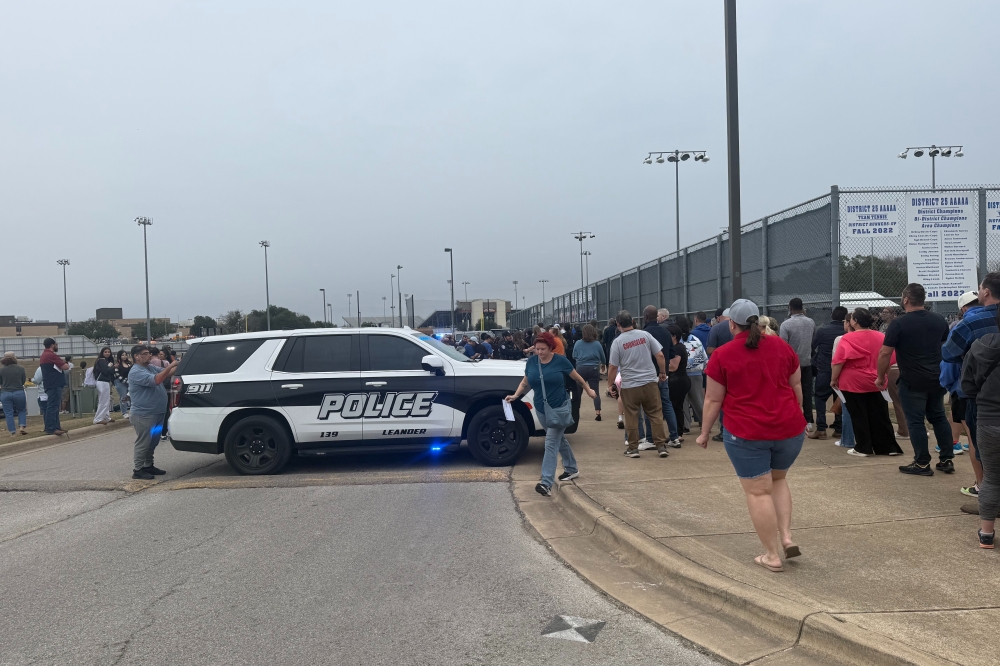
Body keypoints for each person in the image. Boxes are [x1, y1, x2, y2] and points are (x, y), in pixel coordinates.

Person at [696, 299, 806, 572]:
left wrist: (704, 433)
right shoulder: (782, 346)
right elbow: (796, 385)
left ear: (731, 324)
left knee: (758, 492)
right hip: (789, 428)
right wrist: (797, 414)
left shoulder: (723, 355)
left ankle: (771, 555)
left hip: (748, 431)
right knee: (778, 480)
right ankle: (787, 536)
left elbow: (712, 400)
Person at [505, 332, 596, 497]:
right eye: (537, 349)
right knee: (559, 439)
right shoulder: (532, 362)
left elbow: (577, 378)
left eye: (543, 349)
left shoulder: (560, 361)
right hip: (541, 408)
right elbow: (525, 382)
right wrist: (515, 395)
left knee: (551, 443)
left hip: (559, 407)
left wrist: (589, 390)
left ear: (550, 347)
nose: (539, 352)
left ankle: (546, 483)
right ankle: (571, 468)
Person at [877, 283, 953, 477]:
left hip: (912, 379)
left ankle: (921, 463)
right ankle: (946, 459)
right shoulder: (939, 320)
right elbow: (945, 344)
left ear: (905, 300)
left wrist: (880, 376)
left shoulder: (899, 323)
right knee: (938, 417)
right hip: (936, 377)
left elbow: (885, 353)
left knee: (916, 421)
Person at [943, 273, 1000, 504]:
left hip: (982, 395)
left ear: (985, 292)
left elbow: (948, 352)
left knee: (983, 447)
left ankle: (988, 496)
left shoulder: (971, 322)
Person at [832, 309, 903, 457]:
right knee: (880, 414)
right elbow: (889, 358)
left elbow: (839, 361)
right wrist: (883, 376)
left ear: (855, 321)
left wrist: (833, 379)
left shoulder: (847, 338)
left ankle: (863, 447)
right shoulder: (880, 336)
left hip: (853, 381)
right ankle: (888, 447)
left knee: (859, 415)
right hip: (876, 379)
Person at [959, 307, 1000, 549]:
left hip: (988, 418)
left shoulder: (982, 344)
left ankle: (986, 534)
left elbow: (967, 385)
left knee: (992, 478)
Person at [607, 310, 671, 458]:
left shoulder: (617, 342)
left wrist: (610, 384)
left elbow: (613, 366)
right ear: (633, 321)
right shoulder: (645, 335)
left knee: (631, 416)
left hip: (630, 385)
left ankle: (633, 448)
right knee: (655, 414)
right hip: (649, 381)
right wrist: (662, 372)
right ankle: (661, 446)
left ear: (618, 324)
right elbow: (660, 355)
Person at [128, 344, 178, 480]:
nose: (149, 355)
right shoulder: (136, 371)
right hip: (144, 414)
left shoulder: (149, 367)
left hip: (157, 413)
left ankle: (148, 465)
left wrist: (178, 364)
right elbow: (157, 379)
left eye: (149, 353)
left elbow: (167, 373)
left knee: (153, 441)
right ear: (136, 357)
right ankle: (138, 469)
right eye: (145, 353)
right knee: (144, 442)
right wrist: (170, 365)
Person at [639, 305, 681, 448]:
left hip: (648, 375)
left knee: (649, 407)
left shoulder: (643, 334)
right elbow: (671, 353)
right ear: (656, 316)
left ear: (645, 317)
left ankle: (650, 439)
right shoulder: (665, 332)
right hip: (664, 374)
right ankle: (674, 437)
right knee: (667, 404)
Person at [809, 306, 848, 440]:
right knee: (839, 397)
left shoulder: (823, 330)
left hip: (824, 368)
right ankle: (838, 428)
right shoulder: (846, 332)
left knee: (820, 397)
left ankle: (821, 429)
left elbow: (812, 345)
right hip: (842, 370)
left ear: (832, 316)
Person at [779, 298, 816, 429]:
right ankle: (808, 421)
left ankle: (792, 419)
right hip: (806, 362)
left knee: (790, 391)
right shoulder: (810, 322)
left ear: (790, 308)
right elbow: (812, 339)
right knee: (806, 391)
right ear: (802, 307)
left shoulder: (786, 324)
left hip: (791, 365)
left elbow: (782, 345)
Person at [572, 324, 606, 421]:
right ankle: (598, 412)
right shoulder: (597, 344)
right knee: (595, 391)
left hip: (580, 369)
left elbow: (574, 355)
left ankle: (576, 413)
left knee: (578, 392)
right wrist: (603, 364)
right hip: (594, 368)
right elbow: (603, 356)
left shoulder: (578, 343)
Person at [39, 338, 69, 436]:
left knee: (54, 407)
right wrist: (64, 363)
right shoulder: (51, 355)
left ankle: (56, 427)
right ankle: (51, 428)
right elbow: (65, 367)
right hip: (54, 384)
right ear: (52, 345)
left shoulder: (44, 355)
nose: (57, 346)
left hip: (50, 383)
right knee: (52, 407)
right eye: (56, 344)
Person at [666, 325, 690, 431]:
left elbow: (673, 367)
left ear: (674, 336)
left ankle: (676, 432)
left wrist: (661, 366)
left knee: (674, 408)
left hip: (677, 381)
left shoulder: (677, 349)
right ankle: (678, 432)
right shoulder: (680, 347)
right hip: (681, 380)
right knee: (678, 407)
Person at [0, 352, 28, 436]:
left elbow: (0, 382)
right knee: (22, 410)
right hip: (19, 391)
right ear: (14, 358)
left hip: (5, 393)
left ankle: (13, 432)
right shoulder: (20, 368)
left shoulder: (1, 369)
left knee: (8, 413)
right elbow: (23, 381)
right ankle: (21, 427)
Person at [92, 346, 115, 425]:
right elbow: (106, 371)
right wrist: (113, 367)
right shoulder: (101, 360)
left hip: (105, 381)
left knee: (106, 400)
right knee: (103, 400)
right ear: (102, 353)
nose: (107, 353)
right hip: (102, 381)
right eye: (105, 352)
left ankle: (106, 416)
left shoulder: (106, 361)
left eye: (108, 352)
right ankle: (98, 418)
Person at [114, 350, 132, 420]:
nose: (124, 356)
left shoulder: (129, 363)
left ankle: (132, 411)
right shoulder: (117, 365)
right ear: (119, 356)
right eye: (122, 355)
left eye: (125, 355)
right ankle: (124, 412)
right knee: (124, 397)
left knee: (131, 396)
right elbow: (117, 375)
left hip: (129, 382)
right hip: (120, 382)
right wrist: (125, 381)